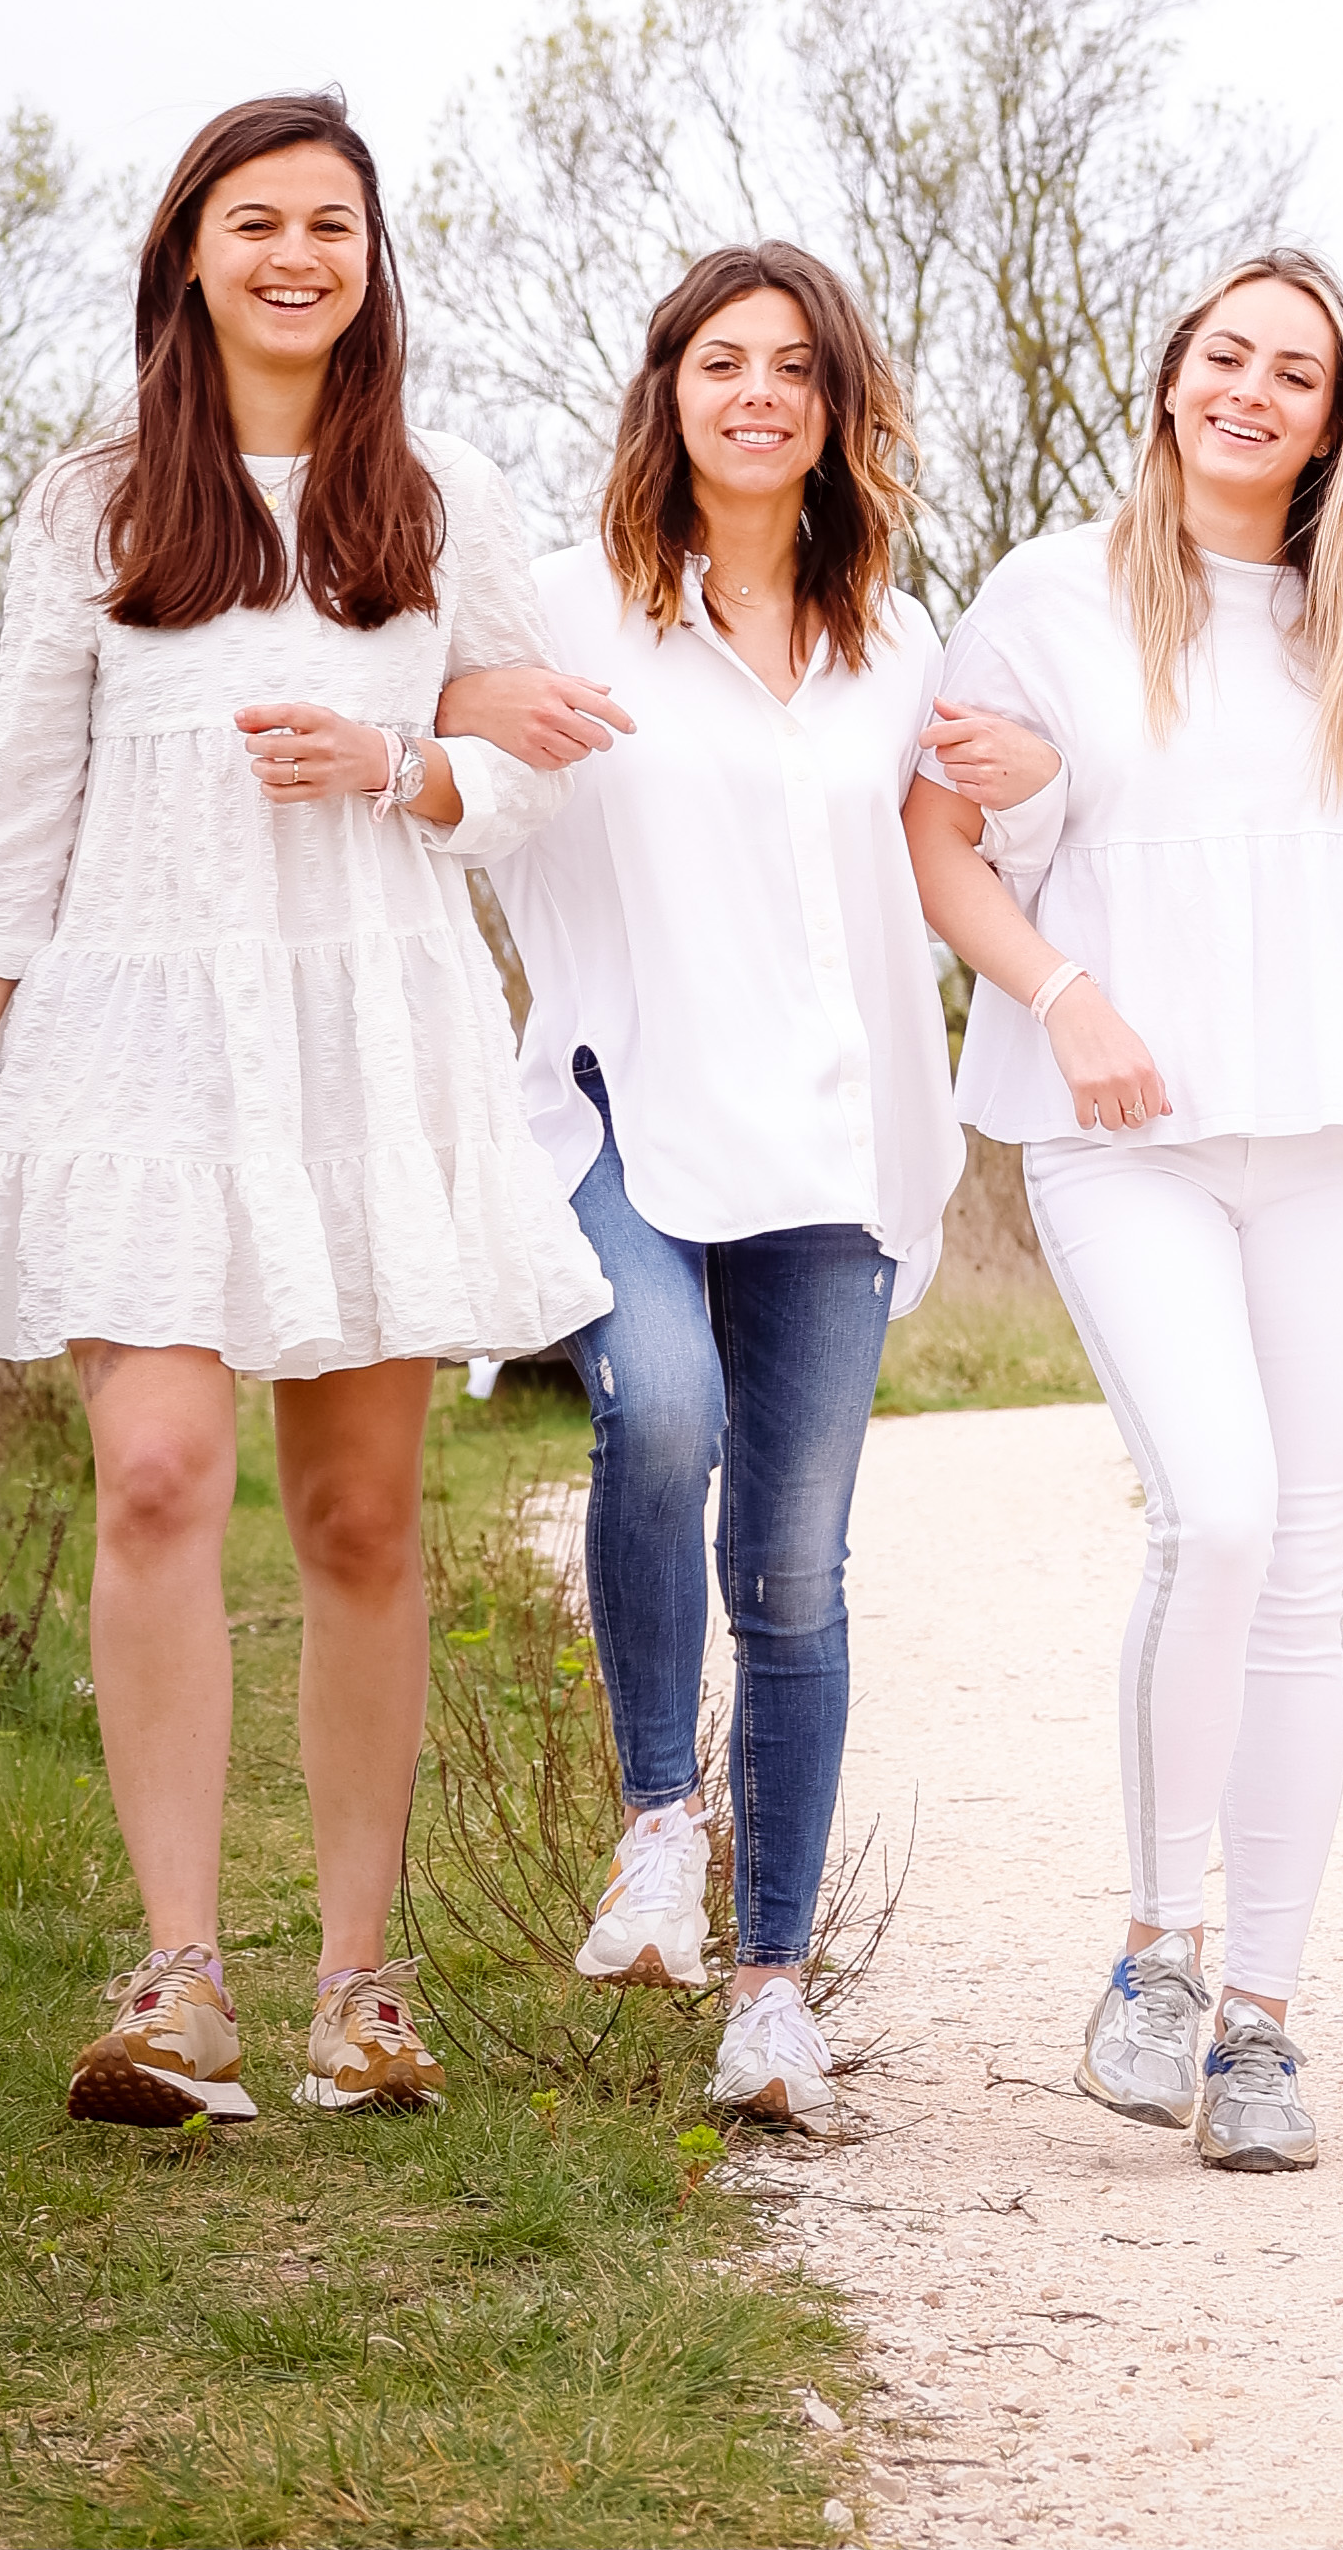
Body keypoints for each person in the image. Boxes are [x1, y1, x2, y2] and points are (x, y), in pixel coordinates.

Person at [0, 90, 602, 2127]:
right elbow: (21, 796)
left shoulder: (441, 496)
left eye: (332, 225)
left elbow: (530, 763)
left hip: (369, 1040)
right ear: (189, 253)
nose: (297, 255)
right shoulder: (93, 501)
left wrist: (397, 763)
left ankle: (359, 1988)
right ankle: (178, 1979)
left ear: (374, 262)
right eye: (258, 221)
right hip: (138, 1043)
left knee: (359, 1518)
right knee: (157, 1474)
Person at [434, 237, 1012, 2145]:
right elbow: (457, 769)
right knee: (660, 1408)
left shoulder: (898, 641)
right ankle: (659, 1827)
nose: (757, 394)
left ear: (838, 409)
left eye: (794, 368)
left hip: (837, 1144)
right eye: (721, 363)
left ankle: (772, 1996)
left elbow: (966, 840)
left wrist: (1042, 763)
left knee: (794, 1567)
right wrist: (426, 739)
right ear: (668, 392)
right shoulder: (568, 612)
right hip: (625, 1105)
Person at [909, 248, 1343, 2177]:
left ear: (1334, 423)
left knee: (1305, 1573)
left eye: (1297, 373)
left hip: (1337, 1137)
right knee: (1214, 1514)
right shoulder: (1048, 595)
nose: (1254, 390)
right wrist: (1065, 996)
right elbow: (941, 843)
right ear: (1170, 379)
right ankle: (1156, 1951)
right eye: (1228, 354)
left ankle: (1266, 2023)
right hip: (1124, 1134)